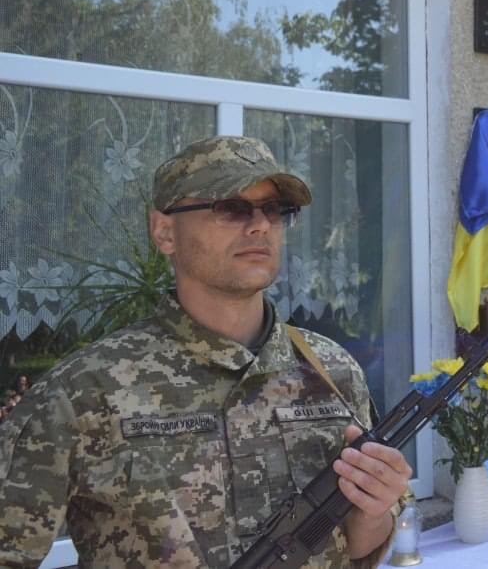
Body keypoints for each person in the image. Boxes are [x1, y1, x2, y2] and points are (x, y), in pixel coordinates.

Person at [0, 135, 413, 568]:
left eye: (274, 209)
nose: (260, 226)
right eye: (231, 208)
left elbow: (360, 544)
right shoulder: (86, 390)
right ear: (165, 231)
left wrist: (374, 510)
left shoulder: (332, 370)